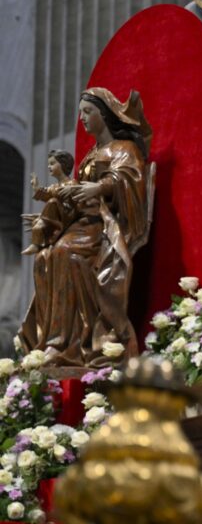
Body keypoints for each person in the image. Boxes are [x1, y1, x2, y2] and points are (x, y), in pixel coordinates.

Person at [18, 87, 152, 368]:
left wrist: (101, 186)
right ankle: (53, 342)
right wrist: (48, 218)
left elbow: (131, 180)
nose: (82, 118)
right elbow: (75, 194)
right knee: (45, 257)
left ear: (104, 114)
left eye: (87, 111)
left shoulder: (122, 149)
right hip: (81, 223)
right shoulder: (91, 154)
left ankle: (72, 344)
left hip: (105, 226)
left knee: (66, 253)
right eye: (80, 112)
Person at [22, 150, 76, 255]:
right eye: (48, 164)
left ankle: (36, 244)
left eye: (52, 163)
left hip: (69, 217)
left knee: (52, 202)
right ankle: (40, 239)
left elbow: (71, 202)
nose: (48, 167)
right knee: (38, 220)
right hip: (60, 216)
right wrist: (36, 188)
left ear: (63, 164)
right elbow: (47, 193)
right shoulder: (54, 187)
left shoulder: (72, 184)